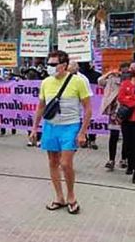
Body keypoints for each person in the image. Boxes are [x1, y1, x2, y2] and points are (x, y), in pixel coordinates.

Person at [30, 50, 92, 215]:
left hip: (70, 126)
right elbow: (41, 107)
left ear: (64, 65)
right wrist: (35, 128)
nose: (50, 67)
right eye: (48, 64)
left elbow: (88, 108)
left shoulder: (78, 82)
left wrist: (82, 132)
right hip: (50, 127)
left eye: (53, 64)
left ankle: (71, 196)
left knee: (65, 164)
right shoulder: (46, 82)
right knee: (53, 162)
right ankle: (59, 197)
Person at [98, 63, 130, 171]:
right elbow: (100, 81)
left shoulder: (133, 81)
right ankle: (111, 160)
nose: (125, 73)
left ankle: (124, 159)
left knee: (126, 136)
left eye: (127, 71)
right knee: (113, 136)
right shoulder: (113, 79)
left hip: (128, 110)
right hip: (115, 111)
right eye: (123, 71)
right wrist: (110, 73)